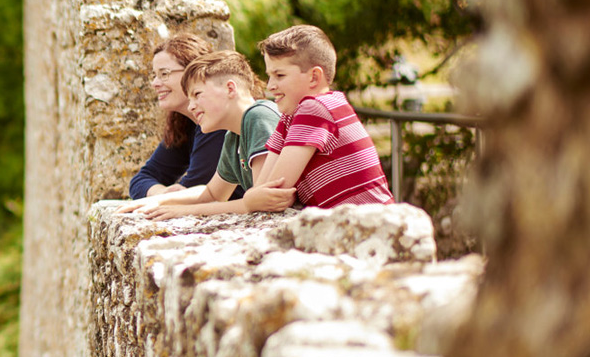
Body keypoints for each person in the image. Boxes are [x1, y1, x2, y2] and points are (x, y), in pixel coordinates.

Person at [118, 51, 293, 218]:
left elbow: (260, 203)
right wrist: (158, 201)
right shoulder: (234, 136)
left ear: (230, 88)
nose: (190, 106)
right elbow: (212, 193)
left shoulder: (258, 116)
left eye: (197, 94)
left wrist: (184, 211)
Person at [252, 25, 394, 209]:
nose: (270, 86)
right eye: (269, 76)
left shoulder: (315, 108)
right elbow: (263, 191)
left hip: (371, 228)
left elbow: (271, 194)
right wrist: (255, 198)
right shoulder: (291, 116)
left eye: (279, 75)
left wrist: (252, 199)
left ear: (314, 77)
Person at [127, 33, 229, 200]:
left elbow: (193, 193)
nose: (155, 83)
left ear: (194, 73)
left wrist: (170, 196)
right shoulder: (184, 124)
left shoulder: (220, 122)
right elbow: (140, 180)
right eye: (154, 75)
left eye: (164, 74)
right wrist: (162, 193)